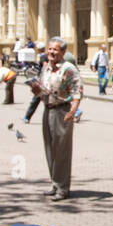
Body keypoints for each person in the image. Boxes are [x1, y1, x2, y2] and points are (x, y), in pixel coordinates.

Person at [30, 36, 83, 201]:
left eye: (56, 50)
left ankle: (63, 188)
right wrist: (35, 89)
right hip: (48, 109)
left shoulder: (69, 69)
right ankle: (55, 183)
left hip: (62, 112)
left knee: (62, 151)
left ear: (63, 52)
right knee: (50, 148)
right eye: (50, 49)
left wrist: (72, 112)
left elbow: (77, 91)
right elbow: (43, 89)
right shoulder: (45, 67)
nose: (52, 52)